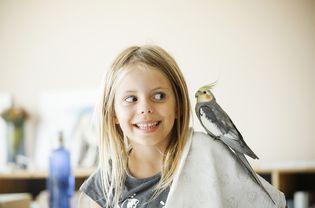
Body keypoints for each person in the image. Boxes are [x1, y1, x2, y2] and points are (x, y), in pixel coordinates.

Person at [80, 45, 286, 208]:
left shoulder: (209, 155)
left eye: (159, 96)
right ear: (113, 113)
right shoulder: (104, 184)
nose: (145, 108)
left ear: (178, 105)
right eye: (131, 98)